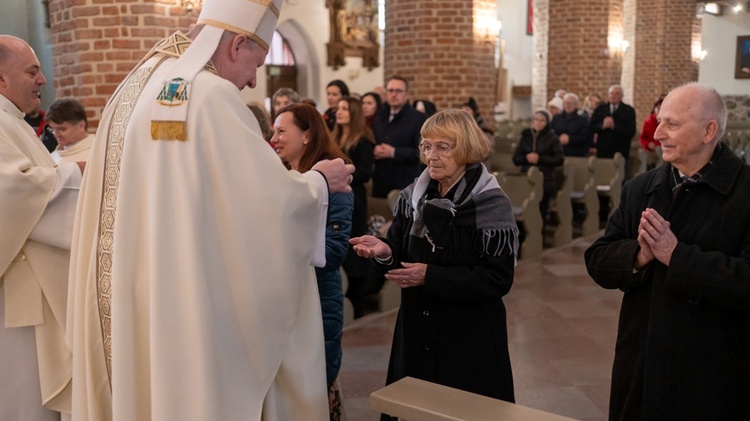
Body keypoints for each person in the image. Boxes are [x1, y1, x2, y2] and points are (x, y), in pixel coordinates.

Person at [66, 1, 355, 420]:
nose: (255, 79)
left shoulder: (140, 83)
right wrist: (320, 183)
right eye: (257, 62)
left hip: (134, 285)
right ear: (237, 45)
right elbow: (262, 208)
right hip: (185, 299)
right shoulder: (210, 94)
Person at [585, 82, 750, 420]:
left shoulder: (745, 193)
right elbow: (598, 258)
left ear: (709, 131)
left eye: (672, 124)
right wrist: (639, 255)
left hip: (712, 369)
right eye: (659, 121)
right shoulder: (641, 188)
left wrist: (677, 256)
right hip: (642, 362)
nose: (657, 134)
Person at [350, 110, 518, 420]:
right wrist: (384, 252)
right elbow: (400, 255)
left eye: (443, 146)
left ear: (466, 148)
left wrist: (432, 276)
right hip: (417, 329)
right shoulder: (413, 198)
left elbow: (497, 279)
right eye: (427, 146)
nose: (431, 155)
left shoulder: (491, 205)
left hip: (468, 337)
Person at [0, 34, 83, 420]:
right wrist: (77, 175)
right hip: (21, 297)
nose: (43, 80)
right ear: (1, 79)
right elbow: (12, 192)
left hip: (38, 288)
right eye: (32, 71)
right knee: (24, 399)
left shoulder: (11, 123)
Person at [271, 103, 353, 420]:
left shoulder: (332, 178)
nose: (274, 138)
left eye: (281, 130)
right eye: (273, 130)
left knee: (317, 378)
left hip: (319, 294)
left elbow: (333, 251)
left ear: (306, 135)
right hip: (289, 295)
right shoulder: (283, 178)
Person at [331, 97, 376, 318]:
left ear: (354, 113)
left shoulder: (363, 140)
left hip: (354, 199)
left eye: (345, 109)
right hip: (336, 197)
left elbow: (365, 172)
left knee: (353, 246)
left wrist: (341, 173)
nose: (339, 112)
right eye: (338, 108)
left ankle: (357, 305)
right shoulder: (335, 137)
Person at [372, 75, 426, 198]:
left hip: (404, 181)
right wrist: (374, 149)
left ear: (407, 94)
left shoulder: (418, 118)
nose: (394, 94)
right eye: (390, 90)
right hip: (381, 180)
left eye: (398, 91)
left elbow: (422, 151)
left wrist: (394, 152)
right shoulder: (380, 116)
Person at [513, 110, 564, 223]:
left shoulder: (552, 138)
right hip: (525, 177)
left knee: (540, 210)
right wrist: (526, 157)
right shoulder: (526, 136)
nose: (538, 123)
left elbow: (559, 159)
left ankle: (540, 236)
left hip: (544, 179)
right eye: (536, 120)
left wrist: (540, 158)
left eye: (542, 121)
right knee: (525, 208)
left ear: (547, 123)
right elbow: (516, 159)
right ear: (532, 121)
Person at [589, 84, 636, 160]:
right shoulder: (600, 110)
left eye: (616, 94)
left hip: (621, 149)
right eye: (611, 93)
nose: (613, 96)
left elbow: (631, 131)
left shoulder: (628, 111)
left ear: (621, 96)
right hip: (603, 149)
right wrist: (602, 126)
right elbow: (591, 127)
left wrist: (614, 126)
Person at [47, 98, 95, 164]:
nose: (56, 134)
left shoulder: (95, 152)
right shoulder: (51, 157)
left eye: (62, 129)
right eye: (53, 129)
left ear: (81, 126)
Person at [550, 92, 591, 157]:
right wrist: (559, 139)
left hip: (576, 152)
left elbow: (586, 136)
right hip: (558, 151)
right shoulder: (556, 118)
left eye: (570, 103)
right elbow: (551, 133)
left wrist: (570, 139)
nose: (567, 105)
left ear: (576, 105)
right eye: (566, 103)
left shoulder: (583, 120)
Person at [638, 95, 665, 170]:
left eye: (661, 108)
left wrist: (657, 145)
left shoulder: (668, 122)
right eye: (658, 108)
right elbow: (642, 138)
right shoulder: (648, 122)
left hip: (663, 150)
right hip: (651, 151)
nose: (659, 110)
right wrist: (648, 144)